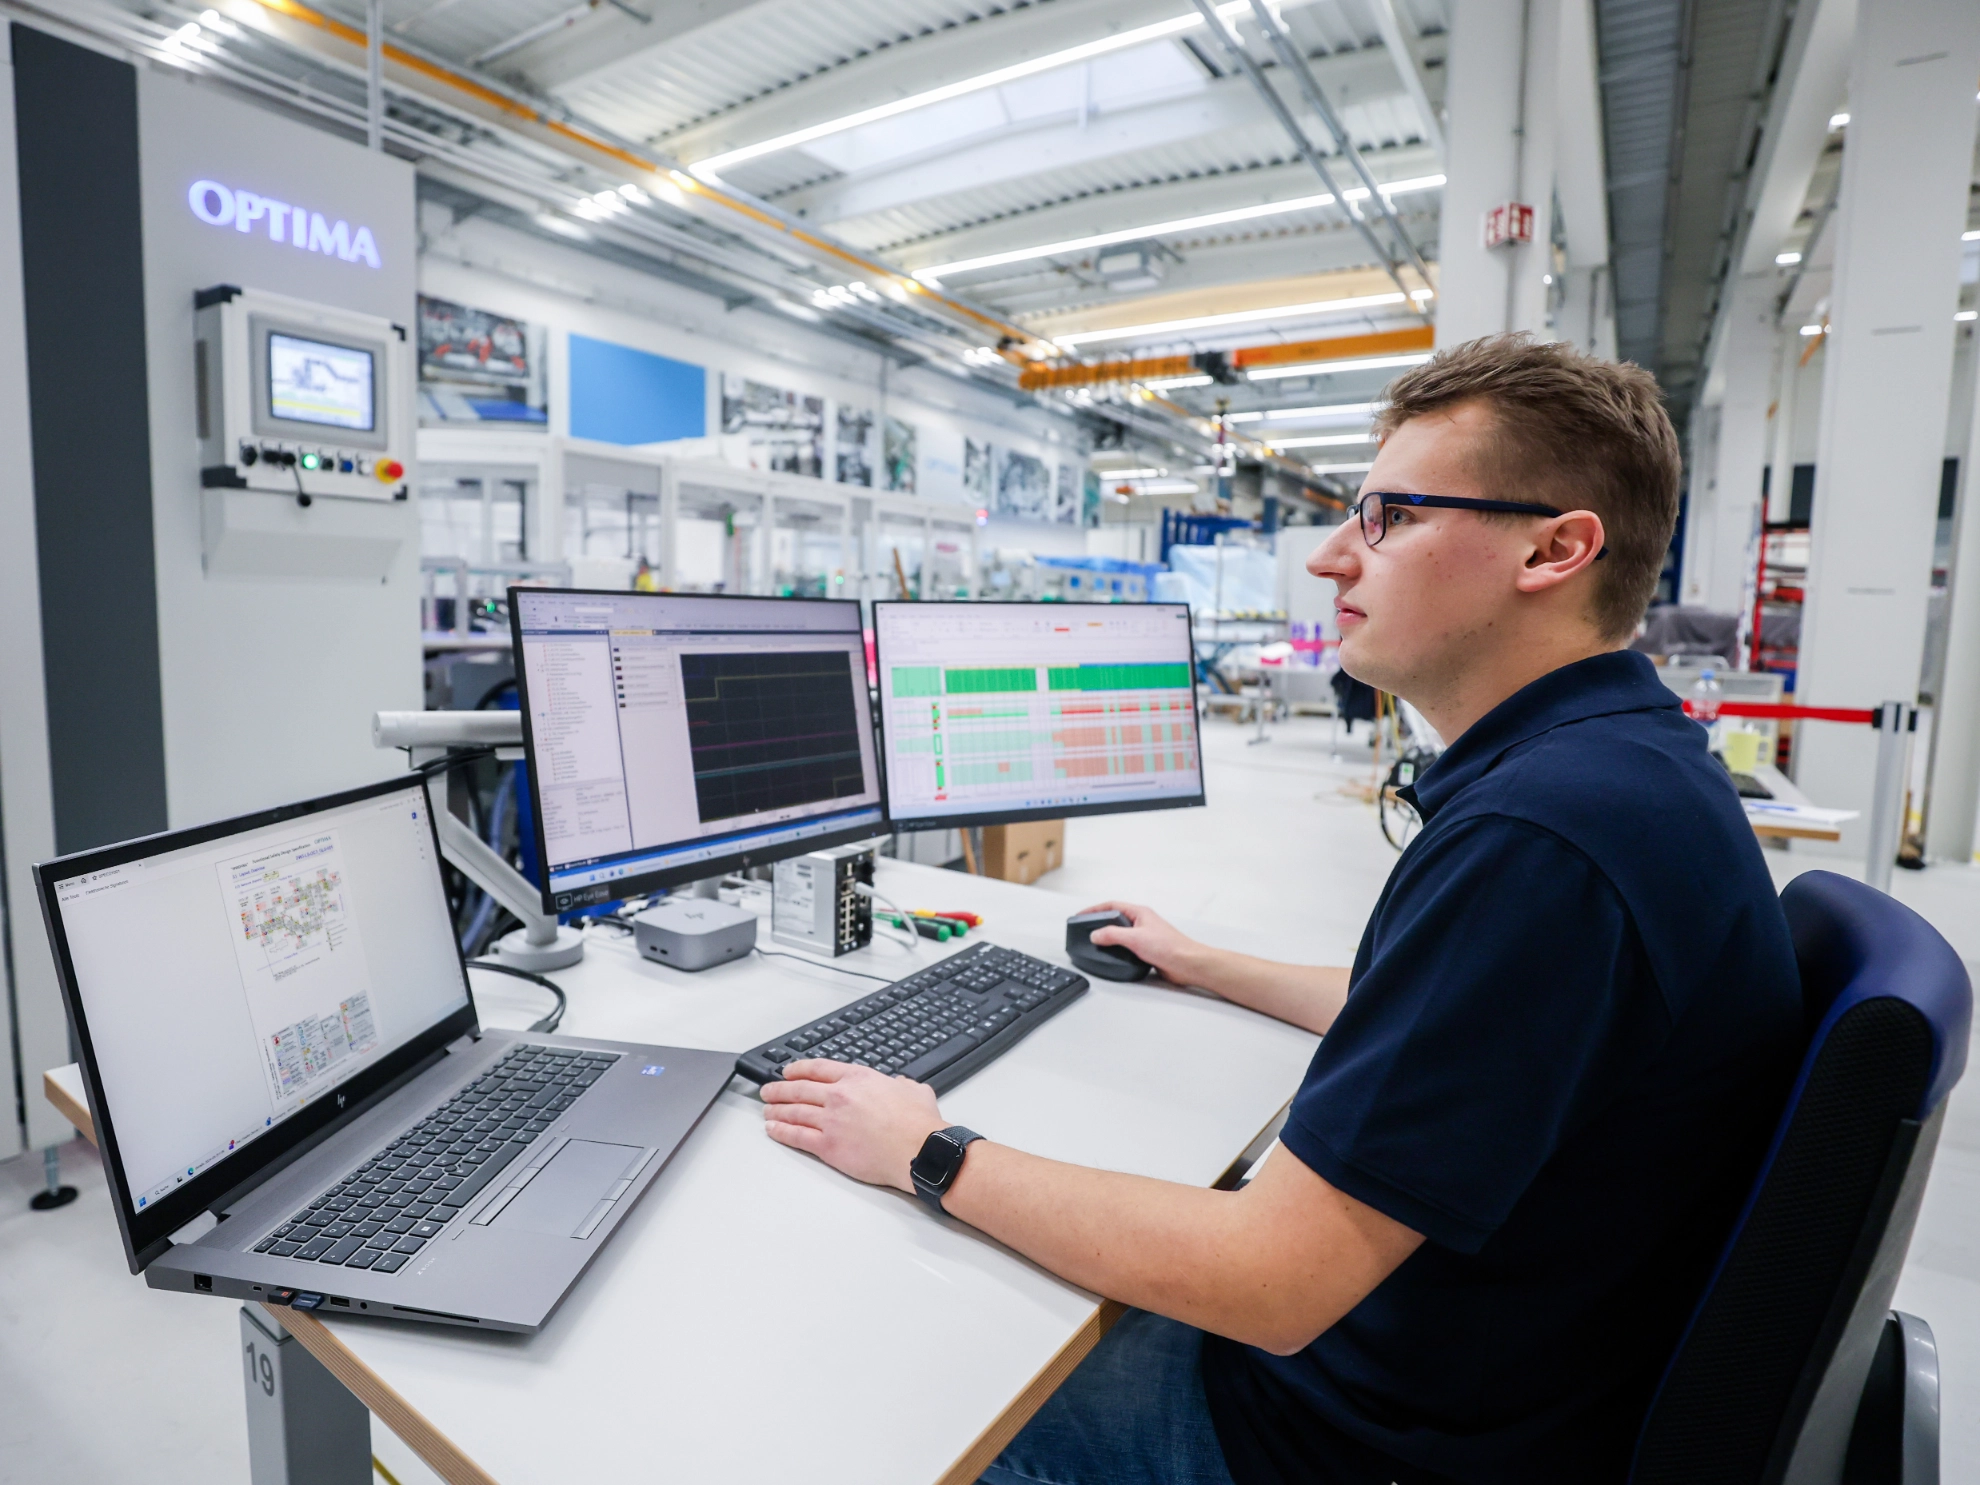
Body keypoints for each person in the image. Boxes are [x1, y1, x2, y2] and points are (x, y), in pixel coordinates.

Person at [760, 335, 1805, 1484]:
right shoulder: (1624, 770)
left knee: (889, 1375)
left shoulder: (1544, 838)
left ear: (1554, 549)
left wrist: (928, 1150)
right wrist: (1204, 964)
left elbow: (1271, 1282)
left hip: (1335, 1441)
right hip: (1476, 1380)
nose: (1327, 559)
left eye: (1388, 518)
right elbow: (1435, 1016)